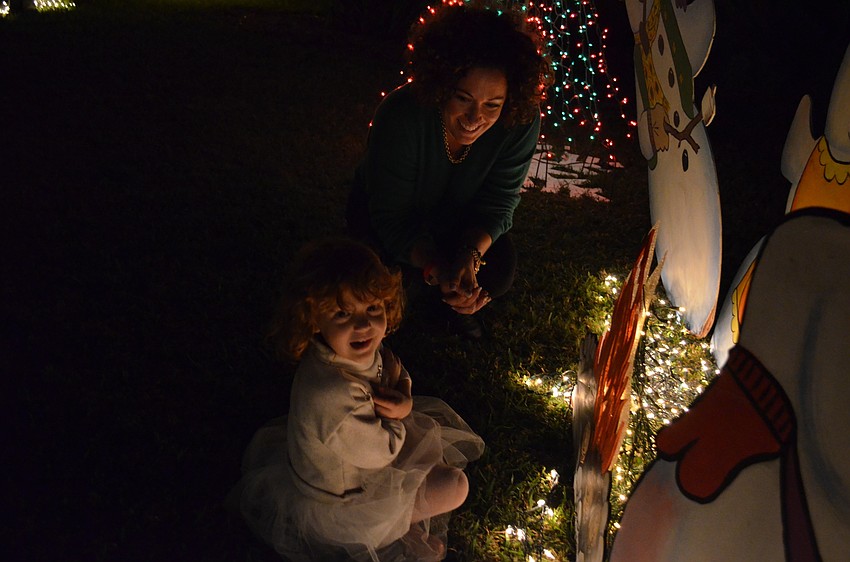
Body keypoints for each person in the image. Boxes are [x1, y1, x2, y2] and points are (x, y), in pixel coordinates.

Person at [230, 238, 485, 561]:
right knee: (454, 485)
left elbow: (390, 365)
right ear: (312, 318)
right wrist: (398, 414)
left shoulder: (342, 346)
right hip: (344, 504)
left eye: (373, 308)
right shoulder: (331, 396)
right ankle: (394, 528)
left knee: (424, 447)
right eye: (342, 313)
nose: (363, 324)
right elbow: (383, 451)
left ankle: (398, 518)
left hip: (363, 446)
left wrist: (403, 395)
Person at [346, 2, 552, 339]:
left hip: (454, 221)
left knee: (497, 271)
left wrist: (469, 259)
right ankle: (432, 292)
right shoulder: (402, 116)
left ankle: (445, 297)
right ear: (442, 85)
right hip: (385, 221)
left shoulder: (521, 121)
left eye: (492, 105)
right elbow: (390, 217)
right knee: (377, 282)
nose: (474, 118)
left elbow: (499, 203)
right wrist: (437, 268)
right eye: (462, 98)